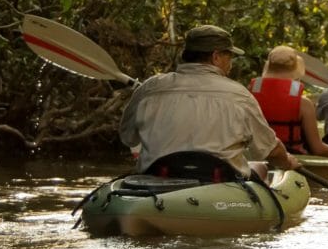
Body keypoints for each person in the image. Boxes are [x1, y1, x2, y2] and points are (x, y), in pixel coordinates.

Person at [119, 24, 300, 181]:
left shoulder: (150, 87)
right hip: (216, 183)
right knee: (260, 167)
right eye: (229, 56)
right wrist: (287, 161)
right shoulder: (240, 96)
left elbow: (128, 137)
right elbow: (270, 150)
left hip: (157, 178)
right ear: (216, 57)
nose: (231, 63)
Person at [249, 45, 328, 157]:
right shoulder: (304, 104)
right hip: (293, 162)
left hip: (257, 158)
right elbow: (319, 150)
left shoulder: (249, 96)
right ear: (296, 70)